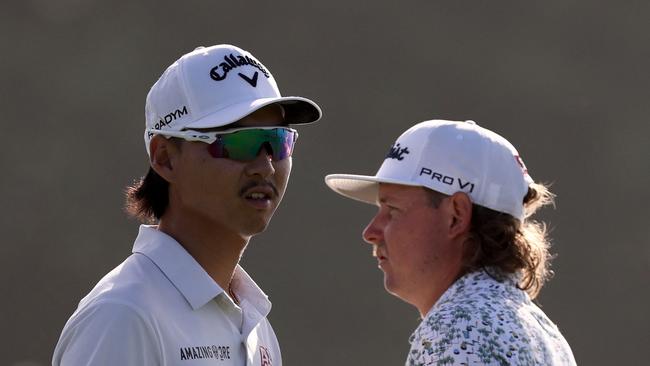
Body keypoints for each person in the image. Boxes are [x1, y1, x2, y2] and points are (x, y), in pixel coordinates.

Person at [52, 44, 322, 365]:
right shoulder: (122, 316)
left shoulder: (256, 325)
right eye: (239, 142)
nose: (265, 166)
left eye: (278, 141)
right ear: (165, 158)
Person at [325, 120, 576, 365]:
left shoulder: (460, 327)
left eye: (392, 210)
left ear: (456, 215)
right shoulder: (545, 333)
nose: (370, 232)